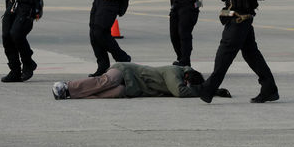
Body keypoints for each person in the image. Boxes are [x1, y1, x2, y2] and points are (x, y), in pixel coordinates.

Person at [51, 63, 232, 99]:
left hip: (131, 88)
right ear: (186, 76)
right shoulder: (173, 72)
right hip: (125, 71)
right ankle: (67, 85)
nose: (186, 86)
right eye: (187, 83)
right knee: (106, 81)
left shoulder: (182, 79)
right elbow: (179, 92)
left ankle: (69, 94)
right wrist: (205, 91)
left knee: (115, 92)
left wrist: (214, 91)